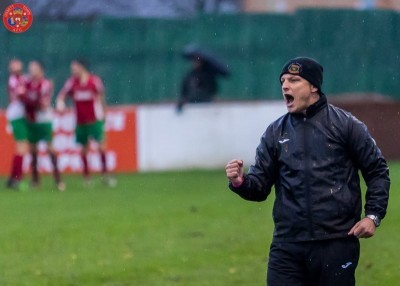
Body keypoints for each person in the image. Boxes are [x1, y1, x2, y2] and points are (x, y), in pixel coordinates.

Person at [225, 57, 390, 286]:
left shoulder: (346, 125)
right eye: (283, 81)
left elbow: (377, 170)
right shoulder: (275, 132)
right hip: (287, 244)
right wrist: (240, 181)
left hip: (336, 242)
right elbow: (259, 187)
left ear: (313, 86)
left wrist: (373, 216)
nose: (285, 86)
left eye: (293, 80)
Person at [56, 60, 114, 186]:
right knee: (84, 149)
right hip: (80, 121)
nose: (73, 71)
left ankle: (105, 175)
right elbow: (62, 96)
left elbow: (102, 96)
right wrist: (60, 104)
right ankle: (87, 177)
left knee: (101, 146)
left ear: (82, 68)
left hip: (95, 119)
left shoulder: (94, 81)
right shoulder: (71, 82)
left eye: (75, 68)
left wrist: (105, 112)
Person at [24, 61, 65, 191]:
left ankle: (58, 180)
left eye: (34, 69)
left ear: (41, 70)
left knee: (49, 148)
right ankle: (35, 181)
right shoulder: (27, 83)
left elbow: (42, 103)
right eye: (30, 69)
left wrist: (26, 99)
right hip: (31, 120)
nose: (31, 71)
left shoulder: (45, 84)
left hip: (44, 120)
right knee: (33, 150)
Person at [5, 59, 29, 190]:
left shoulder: (24, 78)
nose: (16, 66)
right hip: (16, 116)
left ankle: (12, 179)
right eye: (13, 64)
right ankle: (16, 179)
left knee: (21, 147)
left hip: (21, 116)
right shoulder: (13, 79)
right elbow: (23, 96)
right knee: (21, 146)